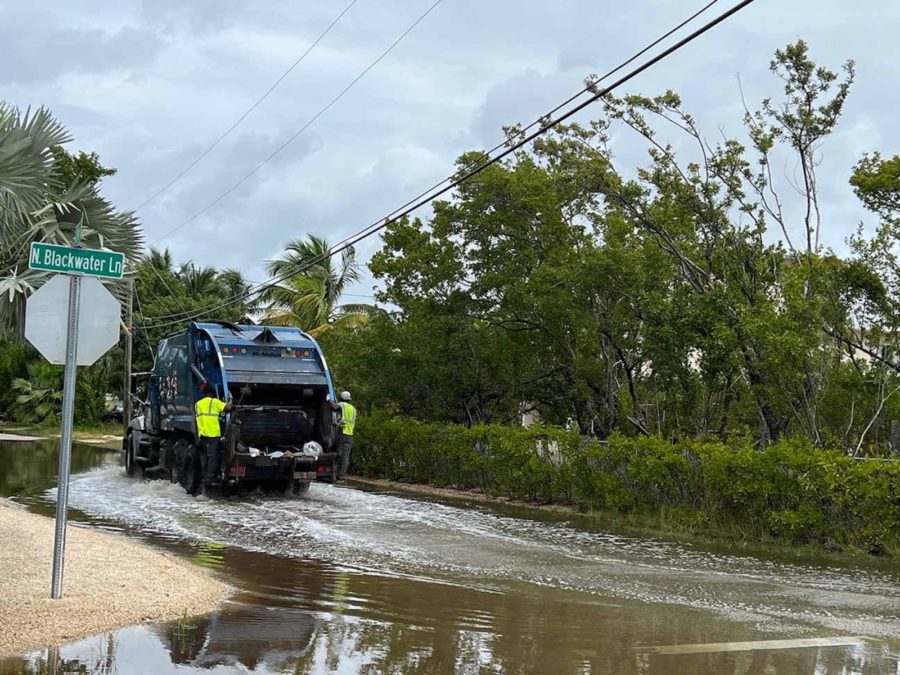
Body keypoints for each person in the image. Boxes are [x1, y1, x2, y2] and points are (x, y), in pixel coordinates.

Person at [195, 381, 231, 494]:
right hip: (213, 434)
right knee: (213, 457)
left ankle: (204, 478)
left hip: (202, 434)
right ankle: (209, 482)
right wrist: (230, 401)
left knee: (205, 457)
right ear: (212, 394)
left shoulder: (198, 404)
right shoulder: (215, 402)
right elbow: (227, 408)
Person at [330, 390, 357, 479]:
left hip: (342, 432)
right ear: (349, 399)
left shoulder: (342, 405)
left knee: (338, 453)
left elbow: (333, 407)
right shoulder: (353, 408)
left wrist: (329, 400)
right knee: (346, 455)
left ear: (341, 398)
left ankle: (334, 472)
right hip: (350, 434)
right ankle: (341, 474)